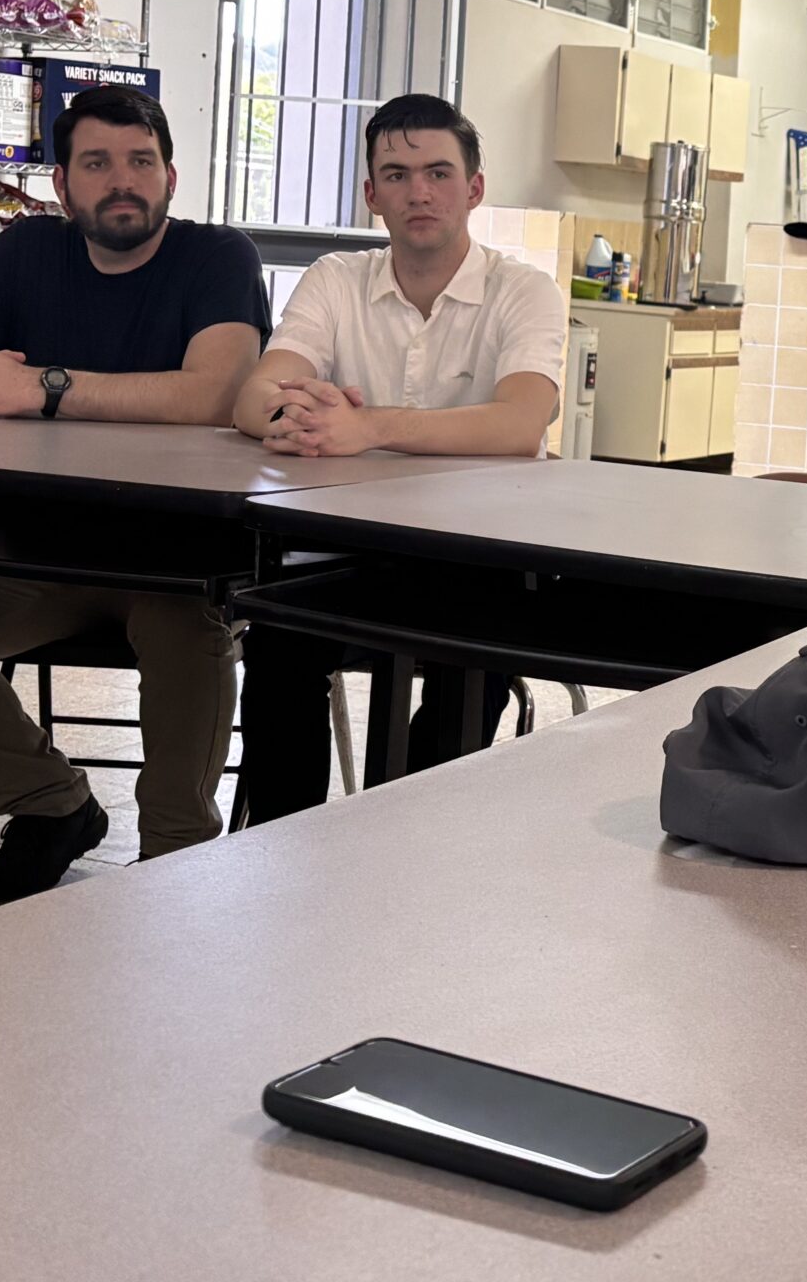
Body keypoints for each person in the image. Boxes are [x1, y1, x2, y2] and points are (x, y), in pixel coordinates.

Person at [0, 84, 270, 907]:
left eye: (141, 162)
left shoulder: (218, 257)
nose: (124, 181)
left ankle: (178, 861)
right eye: (98, 163)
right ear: (62, 185)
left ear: (171, 178)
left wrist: (36, 387)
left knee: (189, 638)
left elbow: (215, 395)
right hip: (36, 552)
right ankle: (53, 808)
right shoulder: (26, 254)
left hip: (176, 559)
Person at [230, 93, 564, 820]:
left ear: (474, 189)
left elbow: (519, 422)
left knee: (475, 664)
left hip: (480, 558)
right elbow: (253, 396)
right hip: (344, 549)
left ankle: (400, 840)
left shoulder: (524, 290)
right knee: (278, 638)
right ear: (371, 193)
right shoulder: (335, 279)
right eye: (397, 172)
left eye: (439, 172)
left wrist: (368, 427)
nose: (419, 191)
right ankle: (285, 849)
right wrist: (302, 417)